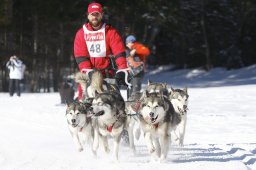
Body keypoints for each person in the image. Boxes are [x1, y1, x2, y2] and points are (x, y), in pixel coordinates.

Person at [73, 2, 129, 101]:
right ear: (88, 15)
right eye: (92, 14)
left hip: (108, 72)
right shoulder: (81, 33)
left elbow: (119, 52)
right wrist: (88, 71)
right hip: (89, 74)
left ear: (101, 15)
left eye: (97, 14)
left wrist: (122, 69)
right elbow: (81, 56)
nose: (95, 17)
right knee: (85, 104)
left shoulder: (110, 32)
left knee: (115, 102)